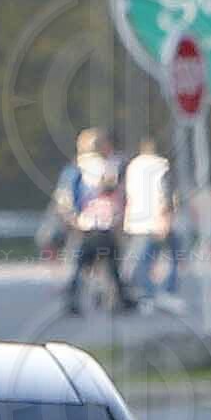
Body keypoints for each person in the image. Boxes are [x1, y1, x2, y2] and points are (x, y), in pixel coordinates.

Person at [59, 129, 137, 315]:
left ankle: (75, 299)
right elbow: (116, 193)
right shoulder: (108, 166)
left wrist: (72, 220)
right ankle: (117, 300)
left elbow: (64, 199)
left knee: (81, 265)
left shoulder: (75, 169)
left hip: (84, 224)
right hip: (104, 224)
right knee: (110, 264)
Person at [123, 134, 177, 296]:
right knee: (171, 253)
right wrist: (167, 218)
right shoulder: (161, 165)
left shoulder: (133, 165)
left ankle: (142, 289)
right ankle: (159, 291)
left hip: (136, 219)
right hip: (157, 219)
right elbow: (165, 193)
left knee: (140, 258)